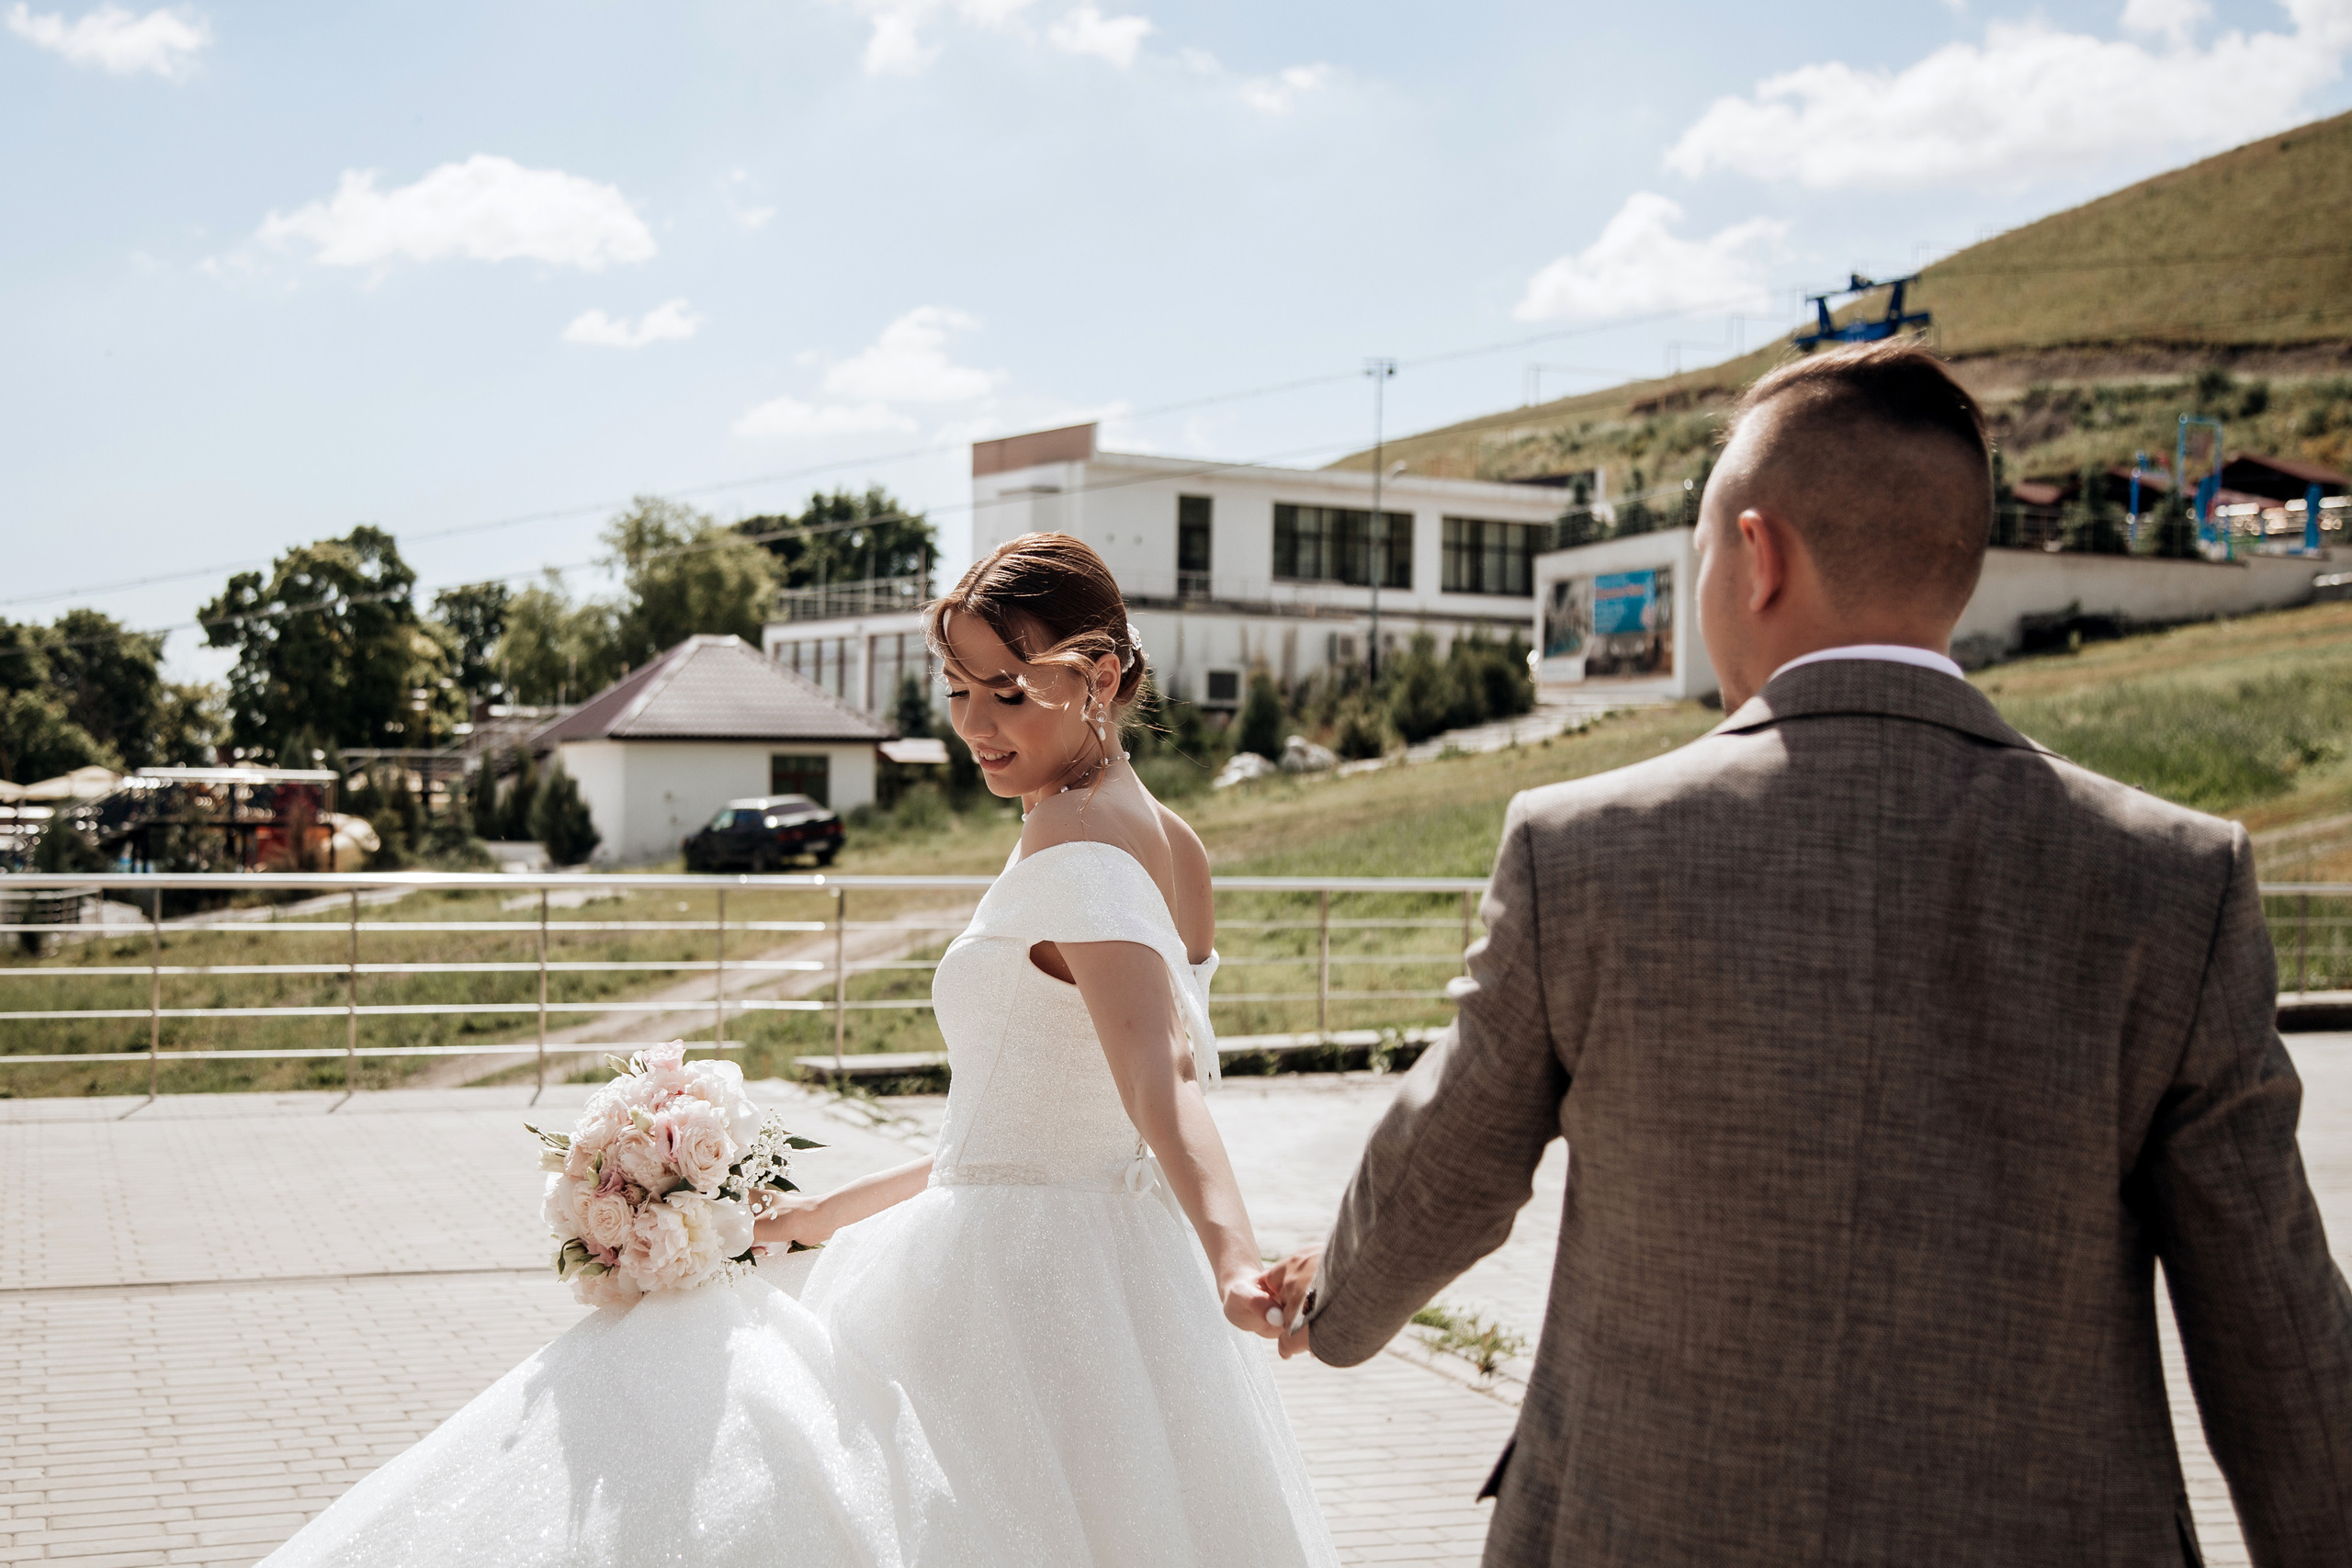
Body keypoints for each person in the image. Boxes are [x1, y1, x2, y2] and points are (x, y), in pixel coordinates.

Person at [1262, 341, 2352, 1566]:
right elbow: (2278, 1330)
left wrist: (1333, 1305)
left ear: (1758, 555)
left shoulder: (1583, 848)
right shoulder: (2175, 877)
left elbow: (1443, 1169)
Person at [257, 531, 1333, 1568]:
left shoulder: (1071, 834)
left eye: (1008, 691)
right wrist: (824, 1212)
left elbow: (1160, 1080)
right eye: (956, 689)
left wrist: (1233, 1256)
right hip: (1117, 1296)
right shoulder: (1174, 846)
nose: (974, 725)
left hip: (1011, 1298)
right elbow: (1041, 1128)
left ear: (1095, 675)